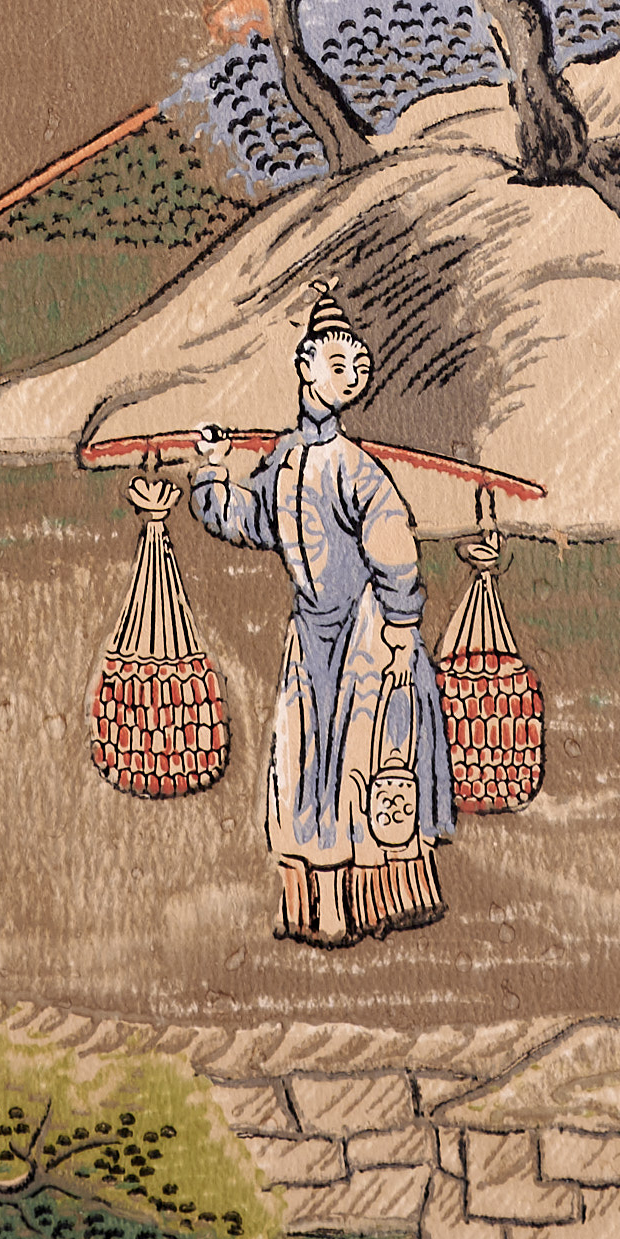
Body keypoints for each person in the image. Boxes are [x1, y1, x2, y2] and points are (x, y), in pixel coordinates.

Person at [175, 284, 454, 948]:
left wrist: (399, 624)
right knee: (305, 766)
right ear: (305, 366)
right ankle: (320, 909)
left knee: (370, 762)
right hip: (312, 638)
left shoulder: (357, 469)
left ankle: (382, 900)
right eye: (338, 363)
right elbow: (249, 520)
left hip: (368, 633)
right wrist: (213, 471)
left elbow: (392, 543)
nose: (351, 376)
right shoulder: (284, 464)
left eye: (358, 366)